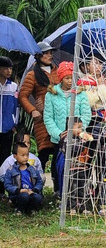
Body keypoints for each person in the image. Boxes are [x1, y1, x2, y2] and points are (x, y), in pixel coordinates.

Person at [42, 61, 91, 197]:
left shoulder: (80, 94)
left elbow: (86, 114)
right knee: (59, 163)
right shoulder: (51, 94)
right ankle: (59, 190)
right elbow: (48, 117)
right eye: (67, 78)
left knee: (77, 164)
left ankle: (77, 191)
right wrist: (58, 133)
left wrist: (79, 130)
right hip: (59, 137)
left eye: (72, 77)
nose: (70, 81)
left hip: (77, 137)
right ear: (61, 78)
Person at [19, 41, 58, 177]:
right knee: (44, 153)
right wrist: (32, 110)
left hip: (58, 117)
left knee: (59, 153)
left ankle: (58, 189)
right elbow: (23, 96)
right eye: (46, 53)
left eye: (50, 52)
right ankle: (37, 185)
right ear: (38, 56)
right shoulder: (32, 75)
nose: (50, 55)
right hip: (42, 119)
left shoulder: (58, 71)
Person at [2, 138, 44, 214]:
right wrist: (19, 190)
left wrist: (34, 190)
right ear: (15, 156)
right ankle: (19, 209)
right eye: (22, 155)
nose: (26, 157)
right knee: (24, 197)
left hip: (31, 192)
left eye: (27, 155)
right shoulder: (11, 170)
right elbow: (7, 185)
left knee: (38, 198)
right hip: (18, 195)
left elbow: (39, 181)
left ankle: (30, 209)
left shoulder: (33, 169)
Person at [0, 56, 19, 189]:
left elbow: (16, 107)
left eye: (10, 68)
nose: (9, 71)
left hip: (7, 129)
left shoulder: (13, 87)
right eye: (6, 68)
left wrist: (14, 124)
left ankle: (2, 190)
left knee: (4, 159)